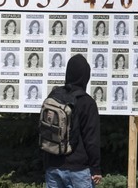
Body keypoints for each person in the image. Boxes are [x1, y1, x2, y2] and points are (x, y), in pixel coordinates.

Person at [44, 54, 102, 187]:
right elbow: (91, 139)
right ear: (85, 76)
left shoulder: (54, 96)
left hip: (52, 165)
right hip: (78, 169)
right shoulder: (87, 102)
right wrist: (96, 168)